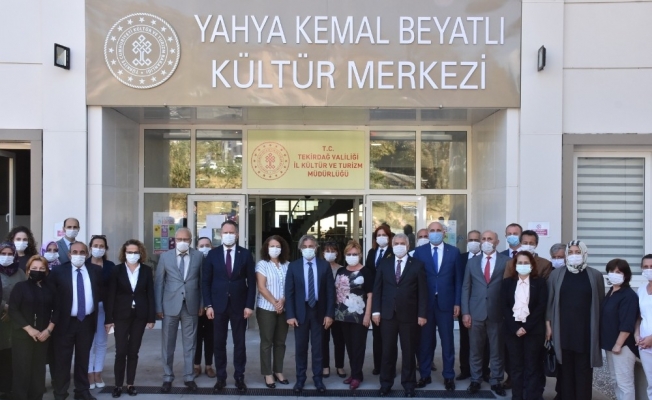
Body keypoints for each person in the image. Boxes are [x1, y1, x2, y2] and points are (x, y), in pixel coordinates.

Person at [546, 240, 604, 400]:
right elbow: (549, 302)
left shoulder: (595, 275)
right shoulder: (556, 275)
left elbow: (600, 302)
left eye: (577, 252)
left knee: (584, 371)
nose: (573, 255)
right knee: (565, 372)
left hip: (586, 332)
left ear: (584, 253)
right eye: (570, 252)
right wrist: (548, 326)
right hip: (563, 331)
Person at [202, 220, 256, 393]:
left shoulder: (245, 254)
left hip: (239, 306)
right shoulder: (213, 254)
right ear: (221, 234)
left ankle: (239, 377)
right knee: (219, 343)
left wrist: (249, 305)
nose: (228, 235)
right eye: (225, 232)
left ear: (237, 234)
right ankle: (221, 378)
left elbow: (252, 282)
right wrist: (208, 305)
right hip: (218, 306)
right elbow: (206, 282)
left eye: (231, 232)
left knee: (240, 343)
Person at [372, 233, 427, 397]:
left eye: (402, 243)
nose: (399, 246)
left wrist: (422, 314)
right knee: (387, 351)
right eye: (396, 243)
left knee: (408, 352)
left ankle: (409, 385)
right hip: (387, 315)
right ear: (392, 245)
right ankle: (385, 384)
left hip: (409, 315)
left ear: (408, 246)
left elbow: (423, 292)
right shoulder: (385, 263)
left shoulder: (417, 265)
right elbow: (377, 289)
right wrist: (376, 311)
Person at [413, 221, 462, 391]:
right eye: (432, 230)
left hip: (446, 304)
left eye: (438, 230)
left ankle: (449, 376)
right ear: (427, 233)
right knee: (425, 342)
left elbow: (458, 280)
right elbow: (416, 280)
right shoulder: (419, 252)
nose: (435, 233)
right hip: (426, 305)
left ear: (444, 233)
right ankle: (424, 375)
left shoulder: (454, 252)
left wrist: (457, 302)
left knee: (448, 342)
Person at [104, 239, 155, 398]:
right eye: (129, 252)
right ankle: (118, 385)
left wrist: (151, 317)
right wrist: (108, 319)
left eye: (135, 252)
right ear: (124, 253)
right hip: (121, 315)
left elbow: (150, 294)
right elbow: (111, 295)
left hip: (140, 315)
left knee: (133, 351)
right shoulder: (117, 270)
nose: (133, 255)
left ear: (141, 253)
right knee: (120, 351)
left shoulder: (146, 270)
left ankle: (130, 384)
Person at [285, 234, 335, 394]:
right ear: (300, 249)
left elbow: (330, 292)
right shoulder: (293, 266)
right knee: (300, 347)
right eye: (305, 247)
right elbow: (289, 292)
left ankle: (318, 379)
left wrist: (329, 314)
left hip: (319, 311)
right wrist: (290, 315)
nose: (308, 249)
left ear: (316, 248)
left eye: (311, 246)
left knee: (318, 347)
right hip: (301, 311)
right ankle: (300, 379)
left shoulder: (324, 266)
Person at [155, 227, 203, 392]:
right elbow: (159, 283)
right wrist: (158, 306)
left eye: (186, 239)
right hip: (170, 306)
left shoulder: (199, 256)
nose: (182, 242)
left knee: (190, 344)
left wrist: (202, 304)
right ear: (174, 240)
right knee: (168, 344)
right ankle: (167, 377)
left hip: (191, 305)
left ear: (191, 240)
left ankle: (189, 377)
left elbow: (202, 282)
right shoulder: (165, 257)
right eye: (179, 239)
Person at [49, 241, 100, 400]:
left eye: (82, 252)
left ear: (87, 254)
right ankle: (60, 393)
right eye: (75, 252)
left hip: (87, 322)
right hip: (65, 323)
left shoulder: (95, 271)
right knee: (62, 360)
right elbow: (51, 296)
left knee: (83, 358)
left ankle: (82, 391)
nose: (78, 255)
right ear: (69, 254)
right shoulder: (58, 271)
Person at [461, 230, 509, 396]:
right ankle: (475, 380)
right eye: (484, 239)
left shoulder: (506, 261)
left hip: (497, 312)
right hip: (475, 312)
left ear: (497, 242)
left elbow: (509, 288)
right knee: (475, 349)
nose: (486, 241)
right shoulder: (472, 262)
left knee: (497, 350)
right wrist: (465, 312)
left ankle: (496, 381)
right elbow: (466, 287)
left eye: (490, 239)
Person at [501, 251, 548, 400]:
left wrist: (526, 327)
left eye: (526, 263)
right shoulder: (507, 283)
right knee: (516, 368)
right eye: (519, 263)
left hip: (533, 331)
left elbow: (541, 306)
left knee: (532, 367)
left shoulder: (540, 283)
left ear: (532, 265)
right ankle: (517, 396)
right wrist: (516, 328)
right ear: (515, 265)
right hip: (512, 331)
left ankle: (531, 396)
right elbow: (504, 306)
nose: (522, 265)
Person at [9, 255, 55, 400]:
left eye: (41, 268)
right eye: (34, 268)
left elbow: (58, 310)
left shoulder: (50, 289)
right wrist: (29, 329)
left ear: (46, 271)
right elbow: (13, 310)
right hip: (23, 336)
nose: (38, 271)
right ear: (28, 270)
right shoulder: (20, 287)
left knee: (38, 372)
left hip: (43, 336)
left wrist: (48, 330)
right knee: (22, 371)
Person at [334, 241, 373, 390]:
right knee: (349, 346)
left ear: (360, 255)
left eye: (355, 254)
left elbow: (370, 295)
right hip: (343, 315)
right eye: (349, 254)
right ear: (345, 255)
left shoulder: (366, 272)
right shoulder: (341, 271)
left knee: (358, 346)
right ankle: (355, 373)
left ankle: (357, 376)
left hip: (359, 315)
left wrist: (368, 315)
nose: (352, 256)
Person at [255, 235, 291, 388]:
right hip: (266, 308)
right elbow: (262, 287)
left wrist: (282, 301)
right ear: (266, 248)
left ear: (282, 249)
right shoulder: (262, 264)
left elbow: (290, 286)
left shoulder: (288, 265)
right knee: (267, 342)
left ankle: (278, 371)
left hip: (284, 308)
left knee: (280, 342)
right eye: (272, 246)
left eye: (278, 246)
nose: (275, 249)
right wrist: (275, 303)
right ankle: (267, 373)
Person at [600, 259, 638, 400]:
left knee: (624, 383)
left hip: (623, 346)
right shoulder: (611, 292)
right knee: (615, 380)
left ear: (626, 275)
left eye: (618, 272)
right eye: (611, 271)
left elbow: (627, 323)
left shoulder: (628, 295)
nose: (613, 274)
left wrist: (618, 344)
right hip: (610, 344)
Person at [457, 230, 490, 381]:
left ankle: (484, 370)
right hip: (466, 305)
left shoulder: (487, 258)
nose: (474, 242)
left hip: (483, 306)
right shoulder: (461, 258)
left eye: (477, 240)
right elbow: (458, 282)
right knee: (465, 339)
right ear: (467, 242)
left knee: (484, 341)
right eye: (471, 240)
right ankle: (465, 370)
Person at [87, 235, 116, 390]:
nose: (98, 248)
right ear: (90, 247)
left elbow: (113, 289)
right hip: (87, 310)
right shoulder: (84, 264)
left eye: (101, 246)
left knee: (101, 341)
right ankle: (89, 373)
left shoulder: (110, 266)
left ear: (105, 248)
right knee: (88, 342)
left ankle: (98, 372)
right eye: (95, 245)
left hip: (104, 308)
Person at [364, 225, 393, 375]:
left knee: (388, 335)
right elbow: (368, 272)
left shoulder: (393, 252)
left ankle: (389, 367)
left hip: (388, 296)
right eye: (378, 235)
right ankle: (378, 365)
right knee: (377, 334)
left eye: (384, 235)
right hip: (375, 296)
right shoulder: (372, 252)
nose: (381, 237)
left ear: (389, 237)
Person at [0, 242, 27, 398]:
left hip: (16, 320)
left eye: (10, 254)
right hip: (1, 319)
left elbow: (25, 292)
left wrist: (12, 311)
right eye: (3, 253)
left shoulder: (20, 272)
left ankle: (10, 388)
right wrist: (4, 307)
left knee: (12, 355)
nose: (7, 257)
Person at [321, 241, 346, 379]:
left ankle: (340, 366)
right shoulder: (319, 267)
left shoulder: (342, 269)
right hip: (323, 309)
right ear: (322, 253)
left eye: (333, 250)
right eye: (327, 250)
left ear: (337, 253)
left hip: (339, 309)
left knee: (339, 340)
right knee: (323, 340)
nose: (330, 253)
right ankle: (325, 366)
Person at [193, 237, 215, 378]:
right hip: (195, 305)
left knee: (210, 336)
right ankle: (196, 365)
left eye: (207, 245)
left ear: (212, 247)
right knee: (196, 336)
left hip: (212, 306)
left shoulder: (215, 260)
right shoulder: (193, 261)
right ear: (196, 248)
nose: (204, 248)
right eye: (201, 245)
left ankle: (208, 365)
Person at [635, 254, 652, 399]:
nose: (648, 269)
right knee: (651, 383)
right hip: (645, 347)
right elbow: (639, 317)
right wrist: (636, 334)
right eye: (645, 267)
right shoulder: (641, 290)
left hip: (650, 341)